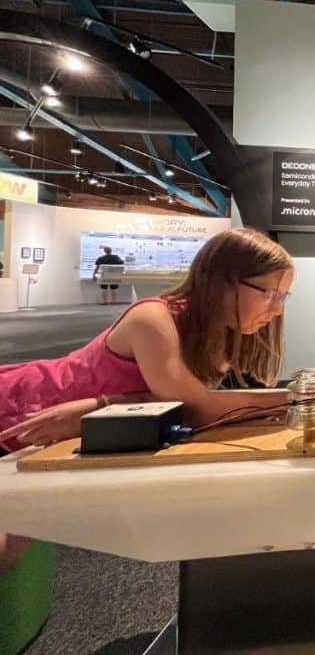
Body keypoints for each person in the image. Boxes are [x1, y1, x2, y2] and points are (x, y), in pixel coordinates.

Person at [0, 227, 295, 568]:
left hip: (64, 435)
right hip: (22, 411)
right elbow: (198, 408)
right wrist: (302, 397)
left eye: (284, 296)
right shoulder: (153, 318)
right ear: (226, 281)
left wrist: (105, 404)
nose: (276, 309)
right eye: (269, 293)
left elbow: (173, 402)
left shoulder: (219, 333)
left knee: (18, 533)